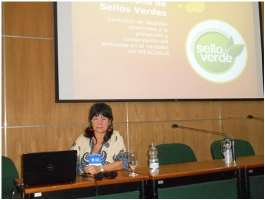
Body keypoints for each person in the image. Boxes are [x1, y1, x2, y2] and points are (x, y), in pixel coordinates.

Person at [70, 102, 127, 175]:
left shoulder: (116, 137)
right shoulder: (82, 138)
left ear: (109, 122)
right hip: (84, 183)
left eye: (103, 119)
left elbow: (121, 164)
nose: (99, 123)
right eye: (95, 118)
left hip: (109, 183)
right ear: (91, 121)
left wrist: (99, 168)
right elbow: (69, 162)